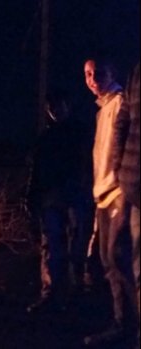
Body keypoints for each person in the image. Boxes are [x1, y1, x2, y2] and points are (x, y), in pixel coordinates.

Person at [82, 57, 137, 346]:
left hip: (117, 191)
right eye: (88, 74)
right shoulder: (101, 109)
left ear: (111, 71)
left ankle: (128, 325)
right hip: (101, 194)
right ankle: (122, 322)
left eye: (98, 72)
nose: (93, 79)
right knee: (108, 260)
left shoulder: (118, 103)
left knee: (118, 257)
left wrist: (121, 185)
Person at [25, 89, 95, 314]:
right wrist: (31, 197)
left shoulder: (81, 133)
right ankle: (51, 294)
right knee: (52, 247)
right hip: (52, 198)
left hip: (75, 196)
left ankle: (76, 295)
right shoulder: (45, 137)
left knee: (77, 247)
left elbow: (90, 165)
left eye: (59, 105)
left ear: (68, 105)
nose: (55, 110)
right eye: (51, 106)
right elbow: (36, 171)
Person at [113, 62, 140, 349]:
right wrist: (121, 168)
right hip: (133, 186)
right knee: (125, 259)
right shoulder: (136, 72)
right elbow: (123, 121)